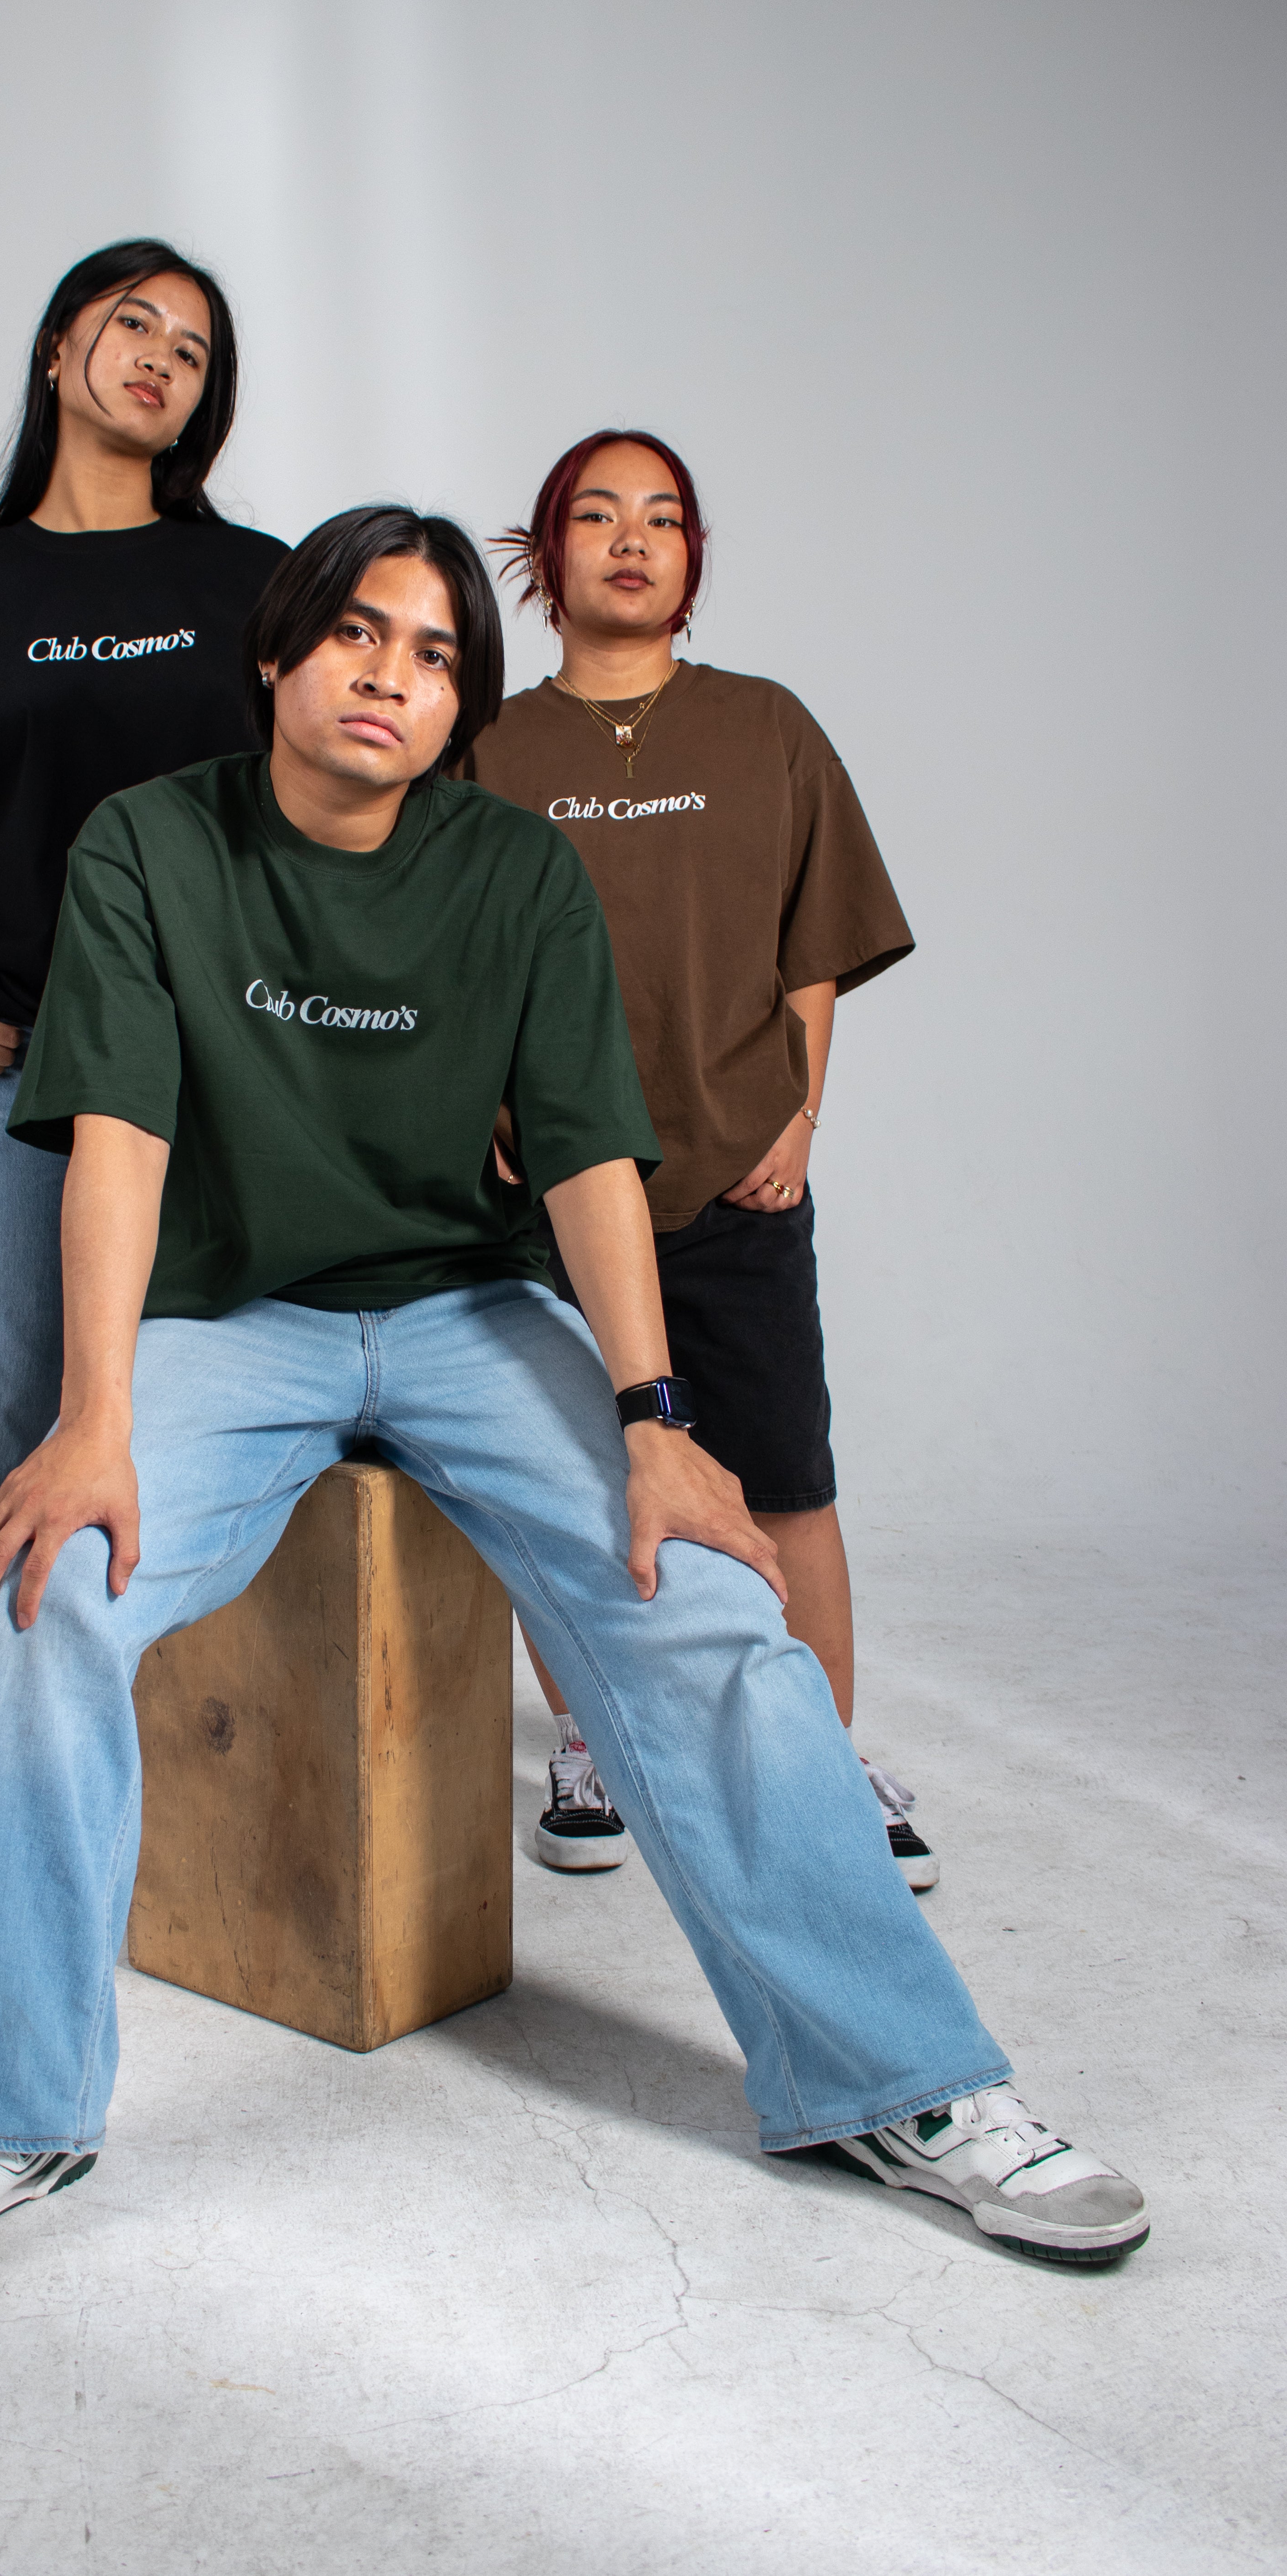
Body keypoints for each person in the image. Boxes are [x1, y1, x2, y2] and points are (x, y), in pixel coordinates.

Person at [0, 506, 1148, 2295]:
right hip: (232, 1316)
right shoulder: (150, 848)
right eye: (361, 633)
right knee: (43, 1590)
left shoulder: (514, 874)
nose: (394, 675)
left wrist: (654, 1419)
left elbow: (590, 1156)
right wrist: (95, 1415)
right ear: (277, 653)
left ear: (462, 706)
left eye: (438, 654)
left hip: (462, 1307)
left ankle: (899, 2084)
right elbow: (117, 1136)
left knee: (709, 1606)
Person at [0, 239, 287, 1946]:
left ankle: (190, 1776)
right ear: (60, 352)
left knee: (225, 1417)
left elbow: (343, 802)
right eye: (132, 324)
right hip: (19, 1084)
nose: (161, 357)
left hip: (238, 1075)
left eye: (193, 346)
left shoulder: (259, 580)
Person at [467, 431, 936, 1887]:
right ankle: (596, 1742)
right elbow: (447, 957)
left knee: (787, 1476)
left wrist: (798, 1116)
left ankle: (823, 1758)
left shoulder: (766, 726)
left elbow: (817, 944)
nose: (631, 538)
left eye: (662, 518)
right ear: (546, 558)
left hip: (735, 1176)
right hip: (549, 1194)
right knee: (574, 1480)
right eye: (596, 515)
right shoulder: (487, 747)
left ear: (691, 561)